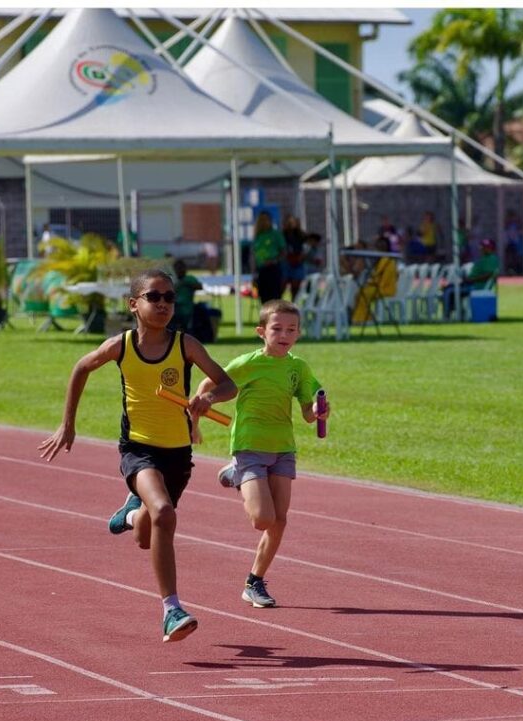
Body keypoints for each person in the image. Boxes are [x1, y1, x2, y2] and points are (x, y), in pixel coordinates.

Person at [39, 269, 237, 642]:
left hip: (177, 453)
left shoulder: (186, 345)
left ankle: (131, 513)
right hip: (138, 450)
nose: (163, 304)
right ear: (134, 304)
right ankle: (171, 609)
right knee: (164, 512)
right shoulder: (122, 345)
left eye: (169, 298)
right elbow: (82, 366)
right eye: (154, 297)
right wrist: (68, 425)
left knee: (146, 533)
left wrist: (208, 397)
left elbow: (229, 384)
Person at [190, 299, 328, 609]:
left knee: (280, 521)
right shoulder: (247, 363)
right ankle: (237, 472)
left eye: (291, 330)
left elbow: (308, 411)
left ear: (298, 334)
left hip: (283, 448)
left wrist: (318, 411)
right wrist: (195, 421)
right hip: (250, 446)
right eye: (277, 328)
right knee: (262, 519)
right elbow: (208, 384)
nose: (284, 334)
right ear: (261, 331)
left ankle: (255, 582)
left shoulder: (298, 368)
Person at [443, 237, 499, 319]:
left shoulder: (491, 259)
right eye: (482, 246)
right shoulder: (485, 258)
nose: (482, 248)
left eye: (485, 247)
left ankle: (447, 315)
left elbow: (488, 275)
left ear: (491, 248)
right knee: (449, 288)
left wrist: (471, 280)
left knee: (448, 291)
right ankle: (459, 312)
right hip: (473, 284)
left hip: (476, 286)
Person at [252, 211, 285, 304]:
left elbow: (283, 252)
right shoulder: (258, 236)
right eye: (262, 219)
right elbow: (254, 254)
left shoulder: (275, 234)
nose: (265, 222)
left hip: (273, 269)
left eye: (267, 219)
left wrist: (273, 260)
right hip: (261, 270)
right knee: (263, 297)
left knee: (274, 298)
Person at [170, 258, 202, 332]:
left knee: (185, 328)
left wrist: (185, 283)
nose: (180, 270)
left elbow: (200, 287)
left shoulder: (189, 279)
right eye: (178, 268)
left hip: (187, 309)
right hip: (174, 309)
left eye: (182, 267)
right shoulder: (172, 280)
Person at [281, 214, 307, 299]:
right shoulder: (283, 234)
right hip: (286, 262)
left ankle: (293, 303)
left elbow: (306, 246)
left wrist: (301, 256)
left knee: (296, 285)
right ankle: (279, 303)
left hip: (298, 262)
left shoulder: (301, 235)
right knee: (283, 284)